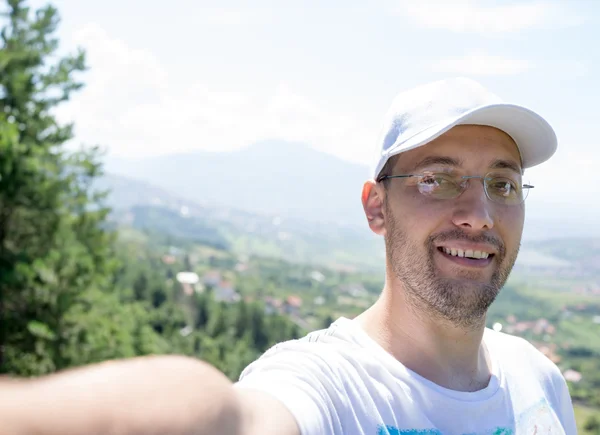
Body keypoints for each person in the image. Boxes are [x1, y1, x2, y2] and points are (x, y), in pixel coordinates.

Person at [0, 77, 576, 435]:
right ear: (377, 208)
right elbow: (239, 419)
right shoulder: (329, 388)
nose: (479, 213)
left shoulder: (540, 380)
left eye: (503, 184)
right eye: (438, 179)